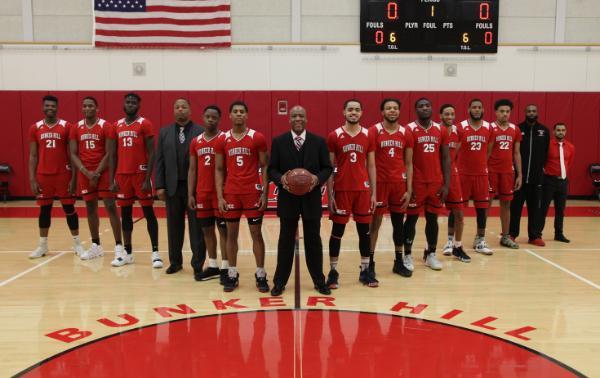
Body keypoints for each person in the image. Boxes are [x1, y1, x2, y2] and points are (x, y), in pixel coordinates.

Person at [268, 105, 333, 296]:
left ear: (306, 119)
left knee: (314, 240)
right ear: (289, 119)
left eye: (301, 116)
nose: (298, 118)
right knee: (285, 240)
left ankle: (319, 281)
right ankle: (279, 282)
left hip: (311, 198)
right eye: (294, 115)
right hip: (288, 198)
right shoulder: (279, 141)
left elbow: (327, 168)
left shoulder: (319, 142)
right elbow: (271, 169)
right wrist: (281, 179)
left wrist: (316, 179)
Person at [215, 101, 270, 293]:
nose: (238, 114)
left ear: (246, 115)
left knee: (256, 233)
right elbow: (219, 169)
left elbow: (265, 166)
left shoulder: (257, 137)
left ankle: (261, 273)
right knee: (231, 234)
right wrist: (220, 196)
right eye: (235, 112)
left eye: (242, 112)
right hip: (231, 193)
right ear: (229, 115)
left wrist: (264, 192)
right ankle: (231, 273)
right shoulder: (223, 140)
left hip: (252, 192)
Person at [326, 99, 377, 289]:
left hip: (363, 191)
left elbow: (371, 165)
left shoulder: (368, 135)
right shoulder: (334, 135)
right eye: (350, 109)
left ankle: (365, 270)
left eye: (357, 109)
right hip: (342, 190)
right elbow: (329, 167)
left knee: (364, 232)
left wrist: (374, 193)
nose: (353, 112)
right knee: (337, 233)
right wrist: (330, 195)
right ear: (343, 112)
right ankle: (333, 271)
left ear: (362, 112)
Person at [155, 98, 206, 278]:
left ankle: (198, 263)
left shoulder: (201, 131)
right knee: (173, 227)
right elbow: (159, 160)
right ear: (173, 111)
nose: (180, 110)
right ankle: (175, 262)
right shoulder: (164, 133)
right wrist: (159, 185)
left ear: (190, 111)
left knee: (196, 228)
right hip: (172, 187)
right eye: (177, 107)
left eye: (184, 107)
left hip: (195, 187)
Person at [110, 93, 162, 268]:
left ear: (139, 105)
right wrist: (112, 178)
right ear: (123, 104)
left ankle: (155, 253)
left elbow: (152, 152)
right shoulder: (116, 125)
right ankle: (128, 253)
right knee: (125, 215)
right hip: (123, 175)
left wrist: (148, 177)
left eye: (133, 102)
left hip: (141, 175)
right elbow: (113, 154)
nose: (130, 104)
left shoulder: (144, 124)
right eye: (128, 102)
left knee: (149, 213)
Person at [28, 95, 84, 258]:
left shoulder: (67, 126)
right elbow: (33, 156)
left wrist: (74, 178)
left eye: (53, 106)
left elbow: (73, 154)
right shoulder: (35, 128)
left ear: (57, 108)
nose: (50, 108)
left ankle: (77, 244)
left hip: (63, 175)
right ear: (43, 107)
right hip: (43, 175)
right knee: (44, 210)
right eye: (47, 106)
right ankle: (42, 246)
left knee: (69, 209)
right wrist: (32, 178)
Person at [69, 97, 122, 260]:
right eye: (84, 106)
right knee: (90, 208)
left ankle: (119, 246)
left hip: (103, 173)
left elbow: (110, 153)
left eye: (90, 106)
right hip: (85, 174)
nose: (87, 108)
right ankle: (96, 245)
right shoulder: (76, 127)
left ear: (97, 108)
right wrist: (85, 172)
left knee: (110, 207)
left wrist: (97, 173)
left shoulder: (106, 126)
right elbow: (73, 153)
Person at [368, 98, 415, 278]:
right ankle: (369, 263)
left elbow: (409, 163)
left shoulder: (406, 133)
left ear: (399, 111)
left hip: (398, 184)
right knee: (375, 224)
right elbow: (369, 162)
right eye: (388, 108)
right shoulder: (374, 131)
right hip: (380, 184)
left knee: (398, 225)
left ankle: (398, 262)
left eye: (395, 108)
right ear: (382, 112)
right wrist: (372, 190)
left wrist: (409, 189)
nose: (392, 111)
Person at [404, 98, 450, 271]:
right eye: (421, 106)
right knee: (412, 219)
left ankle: (430, 253)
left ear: (432, 109)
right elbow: (405, 160)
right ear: (416, 109)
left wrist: (446, 184)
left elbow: (446, 158)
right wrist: (408, 185)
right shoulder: (409, 129)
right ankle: (407, 255)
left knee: (433, 219)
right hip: (417, 182)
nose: (425, 108)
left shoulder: (441, 129)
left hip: (435, 183)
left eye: (427, 106)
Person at [188, 105, 229, 283]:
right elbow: (192, 169)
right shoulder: (196, 141)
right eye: (208, 117)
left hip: (221, 192)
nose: (210, 120)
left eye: (214, 117)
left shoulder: (225, 139)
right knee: (207, 231)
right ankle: (213, 265)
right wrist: (191, 193)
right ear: (203, 118)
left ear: (219, 119)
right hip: (202, 193)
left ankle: (227, 266)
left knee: (223, 231)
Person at [509, 104, 550, 246]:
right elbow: (514, 152)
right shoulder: (517, 129)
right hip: (518, 178)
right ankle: (512, 234)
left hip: (536, 178)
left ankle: (534, 236)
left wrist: (540, 169)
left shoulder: (544, 131)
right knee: (515, 208)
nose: (531, 113)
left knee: (535, 209)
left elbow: (546, 153)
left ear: (537, 113)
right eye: (529, 111)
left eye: (534, 111)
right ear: (525, 113)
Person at [458, 99, 493, 255]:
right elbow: (456, 151)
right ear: (468, 109)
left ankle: (480, 240)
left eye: (479, 107)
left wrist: (480, 165)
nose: (477, 110)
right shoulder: (461, 127)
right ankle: (452, 241)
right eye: (474, 107)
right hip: (463, 174)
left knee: (482, 209)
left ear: (483, 109)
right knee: (457, 209)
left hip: (481, 174)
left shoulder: (488, 127)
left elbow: (488, 150)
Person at [488, 99, 522, 249]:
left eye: (507, 111)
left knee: (506, 204)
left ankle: (506, 236)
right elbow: (486, 152)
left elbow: (516, 153)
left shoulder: (515, 129)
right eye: (502, 111)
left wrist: (519, 174)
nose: (505, 114)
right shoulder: (490, 128)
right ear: (496, 112)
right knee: (486, 204)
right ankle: (480, 236)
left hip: (508, 172)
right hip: (491, 171)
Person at [439, 104, 471, 263]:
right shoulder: (436, 131)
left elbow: (454, 155)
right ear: (440, 116)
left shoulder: (459, 132)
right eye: (446, 114)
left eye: (452, 114)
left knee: (459, 212)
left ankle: (457, 247)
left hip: (453, 175)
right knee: (431, 215)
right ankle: (428, 249)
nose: (450, 117)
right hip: (436, 176)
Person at [540, 123, 575, 243]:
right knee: (543, 209)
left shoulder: (570, 147)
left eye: (563, 130)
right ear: (554, 131)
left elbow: (569, 163)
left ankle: (559, 234)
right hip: (549, 181)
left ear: (565, 131)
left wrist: (562, 175)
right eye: (558, 130)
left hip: (563, 182)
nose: (561, 132)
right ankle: (537, 234)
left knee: (560, 210)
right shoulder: (547, 145)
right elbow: (542, 162)